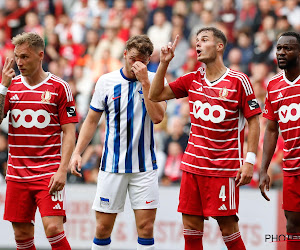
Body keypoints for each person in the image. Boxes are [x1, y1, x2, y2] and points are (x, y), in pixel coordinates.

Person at [149, 27, 261, 250]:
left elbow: (254, 121)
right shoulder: (192, 79)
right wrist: (164, 63)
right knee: (190, 229)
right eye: (196, 41)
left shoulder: (239, 81)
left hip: (223, 168)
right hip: (192, 167)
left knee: (228, 228)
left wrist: (249, 161)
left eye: (204, 40)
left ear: (220, 46)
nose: (198, 44)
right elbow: (155, 94)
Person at [70, 34, 166, 250]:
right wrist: (77, 152)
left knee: (146, 228)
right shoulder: (106, 82)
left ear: (149, 60)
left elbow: (158, 117)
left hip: (144, 167)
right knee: (103, 229)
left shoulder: (157, 80)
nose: (136, 64)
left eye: (142, 59)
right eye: (133, 58)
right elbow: (92, 120)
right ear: (124, 55)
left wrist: (145, 83)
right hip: (112, 166)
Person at [0, 32, 78, 249]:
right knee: (22, 234)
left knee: (53, 228)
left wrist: (63, 169)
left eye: (24, 57)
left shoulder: (59, 87)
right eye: (16, 57)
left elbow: (69, 132)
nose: (19, 62)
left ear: (40, 55)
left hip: (48, 172)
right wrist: (2, 88)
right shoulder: (12, 86)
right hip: (17, 173)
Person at [259, 31, 300, 249]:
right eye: (279, 48)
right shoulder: (274, 85)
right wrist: (263, 168)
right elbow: (272, 129)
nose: (281, 53)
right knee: (292, 226)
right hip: (291, 166)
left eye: (288, 48)